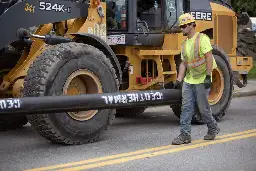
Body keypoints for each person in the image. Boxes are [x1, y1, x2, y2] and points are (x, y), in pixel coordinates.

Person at [171, 13, 220, 145]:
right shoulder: (184, 44)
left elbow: (209, 57)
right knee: (186, 108)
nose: (182, 29)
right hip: (189, 79)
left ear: (192, 25)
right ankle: (185, 135)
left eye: (184, 25)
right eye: (180, 26)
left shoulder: (201, 39)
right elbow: (183, 63)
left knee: (203, 109)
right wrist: (179, 80)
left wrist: (209, 76)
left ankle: (212, 127)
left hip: (203, 78)